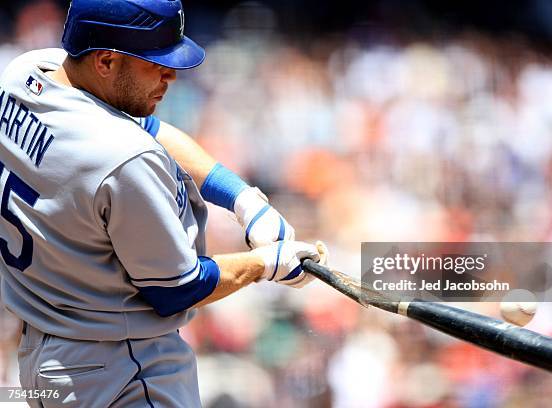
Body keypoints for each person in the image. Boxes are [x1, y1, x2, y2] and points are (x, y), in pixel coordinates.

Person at [0, 0, 327, 406]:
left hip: (48, 356)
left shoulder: (24, 74)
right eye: (155, 62)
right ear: (105, 61)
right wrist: (266, 264)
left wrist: (242, 199)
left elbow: (148, 129)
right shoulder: (121, 159)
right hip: (122, 369)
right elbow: (179, 288)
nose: (171, 74)